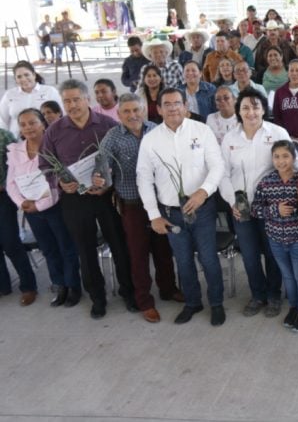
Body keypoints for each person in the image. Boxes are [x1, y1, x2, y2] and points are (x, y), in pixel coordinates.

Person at [39, 79, 134, 319]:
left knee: (119, 246)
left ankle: (128, 293)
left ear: (87, 99)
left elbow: (123, 160)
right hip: (74, 200)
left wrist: (108, 182)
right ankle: (97, 298)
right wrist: (60, 182)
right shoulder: (54, 131)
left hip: (106, 198)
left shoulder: (108, 125)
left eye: (76, 99)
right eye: (67, 101)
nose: (72, 105)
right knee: (86, 250)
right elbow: (44, 166)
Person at [136, 88, 226, 326]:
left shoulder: (202, 131)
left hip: (202, 209)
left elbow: (217, 166)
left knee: (208, 259)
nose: (173, 107)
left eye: (177, 103)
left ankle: (216, 303)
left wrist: (203, 191)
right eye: (167, 104)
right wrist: (154, 215)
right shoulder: (150, 140)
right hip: (171, 213)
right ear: (158, 109)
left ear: (186, 106)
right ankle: (193, 303)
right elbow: (143, 178)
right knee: (183, 261)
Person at [96, 93, 183, 323]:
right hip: (133, 206)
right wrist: (100, 179)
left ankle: (168, 289)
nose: (132, 115)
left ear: (144, 110)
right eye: (126, 111)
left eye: (136, 110)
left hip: (161, 204)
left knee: (163, 250)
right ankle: (144, 300)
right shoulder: (112, 138)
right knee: (138, 254)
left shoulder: (156, 129)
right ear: (119, 114)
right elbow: (101, 168)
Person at [220, 89, 290, 318]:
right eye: (246, 108)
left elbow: (291, 167)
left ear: (263, 109)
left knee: (272, 253)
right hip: (241, 208)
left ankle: (273, 295)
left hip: (271, 208)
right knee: (249, 255)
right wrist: (232, 202)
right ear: (238, 111)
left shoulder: (278, 132)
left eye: (256, 107)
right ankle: (257, 295)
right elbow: (222, 174)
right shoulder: (230, 138)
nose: (251, 113)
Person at [6, 109, 79, 307]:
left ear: (43, 125)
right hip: (30, 210)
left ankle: (73, 286)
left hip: (54, 207)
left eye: (32, 123)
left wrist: (39, 205)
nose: (28, 127)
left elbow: (57, 182)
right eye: (23, 124)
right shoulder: (15, 150)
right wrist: (22, 203)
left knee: (66, 247)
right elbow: (11, 182)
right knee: (48, 249)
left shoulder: (53, 147)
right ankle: (59, 284)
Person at [253, 140, 298, 331]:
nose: (281, 161)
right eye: (276, 157)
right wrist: (275, 210)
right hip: (276, 239)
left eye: (285, 156)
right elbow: (255, 209)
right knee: (287, 276)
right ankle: (294, 307)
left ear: (294, 158)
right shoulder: (267, 182)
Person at [0, 126, 38, 306]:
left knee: (10, 242)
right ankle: (3, 286)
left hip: (3, 196)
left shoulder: (3, 135)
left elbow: (14, 167)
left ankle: (28, 286)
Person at [0, 61, 61, 136]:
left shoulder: (50, 91)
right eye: (19, 77)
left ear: (34, 75)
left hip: (46, 139)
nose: (23, 79)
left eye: (26, 75)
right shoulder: (9, 95)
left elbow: (61, 115)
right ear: (15, 79)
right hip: (16, 141)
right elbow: (2, 120)